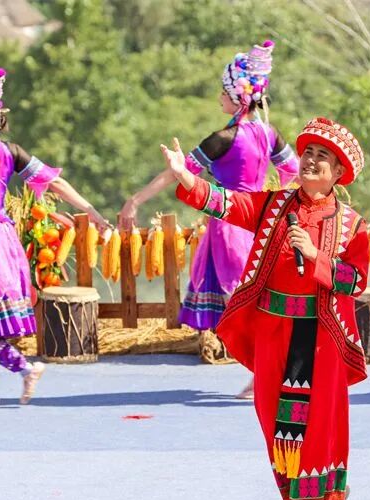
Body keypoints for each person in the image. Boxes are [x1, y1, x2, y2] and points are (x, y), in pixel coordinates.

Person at [163, 117, 367, 500]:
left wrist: (315, 256)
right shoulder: (274, 205)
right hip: (274, 332)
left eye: (322, 156)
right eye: (307, 152)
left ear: (338, 172)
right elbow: (229, 203)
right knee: (276, 424)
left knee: (318, 427)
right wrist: (185, 176)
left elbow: (356, 281)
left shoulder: (352, 225)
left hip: (318, 337)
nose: (310, 160)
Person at [120, 41, 298, 400]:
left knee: (240, 302)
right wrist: (276, 199)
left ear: (236, 97)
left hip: (230, 222)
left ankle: (270, 371)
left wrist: (135, 200)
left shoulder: (224, 138)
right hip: (260, 220)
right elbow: (292, 169)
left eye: (223, 93)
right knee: (251, 299)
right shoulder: (268, 133)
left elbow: (177, 173)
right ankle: (267, 369)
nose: (219, 99)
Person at [0, 68, 108, 406]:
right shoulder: (11, 152)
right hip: (2, 240)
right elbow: (55, 182)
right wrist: (92, 211)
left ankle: (24, 368)